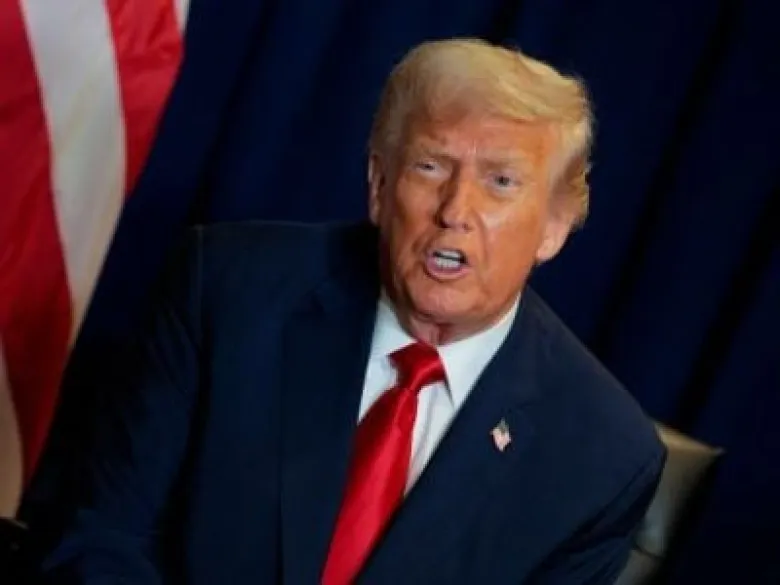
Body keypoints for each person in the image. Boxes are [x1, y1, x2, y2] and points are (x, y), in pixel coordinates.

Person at [40, 38, 665, 584]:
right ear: (379, 185)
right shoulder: (227, 291)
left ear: (555, 224)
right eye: (430, 166)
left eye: (501, 181)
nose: (455, 210)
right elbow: (101, 538)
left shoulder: (603, 457)